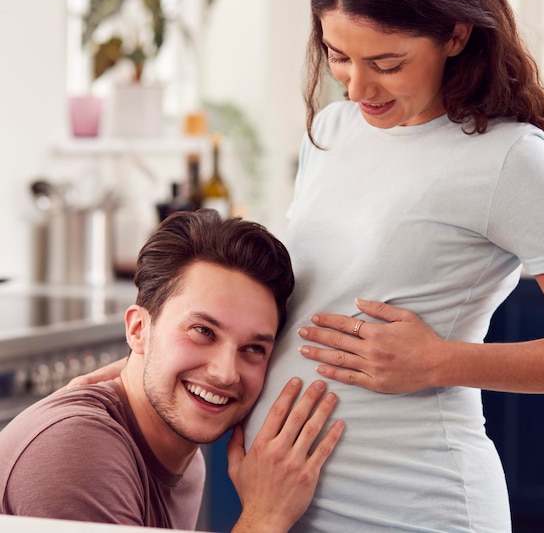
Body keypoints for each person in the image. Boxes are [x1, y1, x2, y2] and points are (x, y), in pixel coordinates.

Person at [65, 0, 544, 531]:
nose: (358, 86)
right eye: (339, 56)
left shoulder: (509, 157)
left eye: (387, 62)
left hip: (417, 501)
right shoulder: (333, 131)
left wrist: (439, 362)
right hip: (285, 500)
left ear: (457, 34)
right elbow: (304, 302)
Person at [0, 209, 344, 532]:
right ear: (138, 330)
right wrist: (264, 517)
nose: (226, 373)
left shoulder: (189, 463)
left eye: (253, 349)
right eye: (203, 331)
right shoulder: (76, 449)